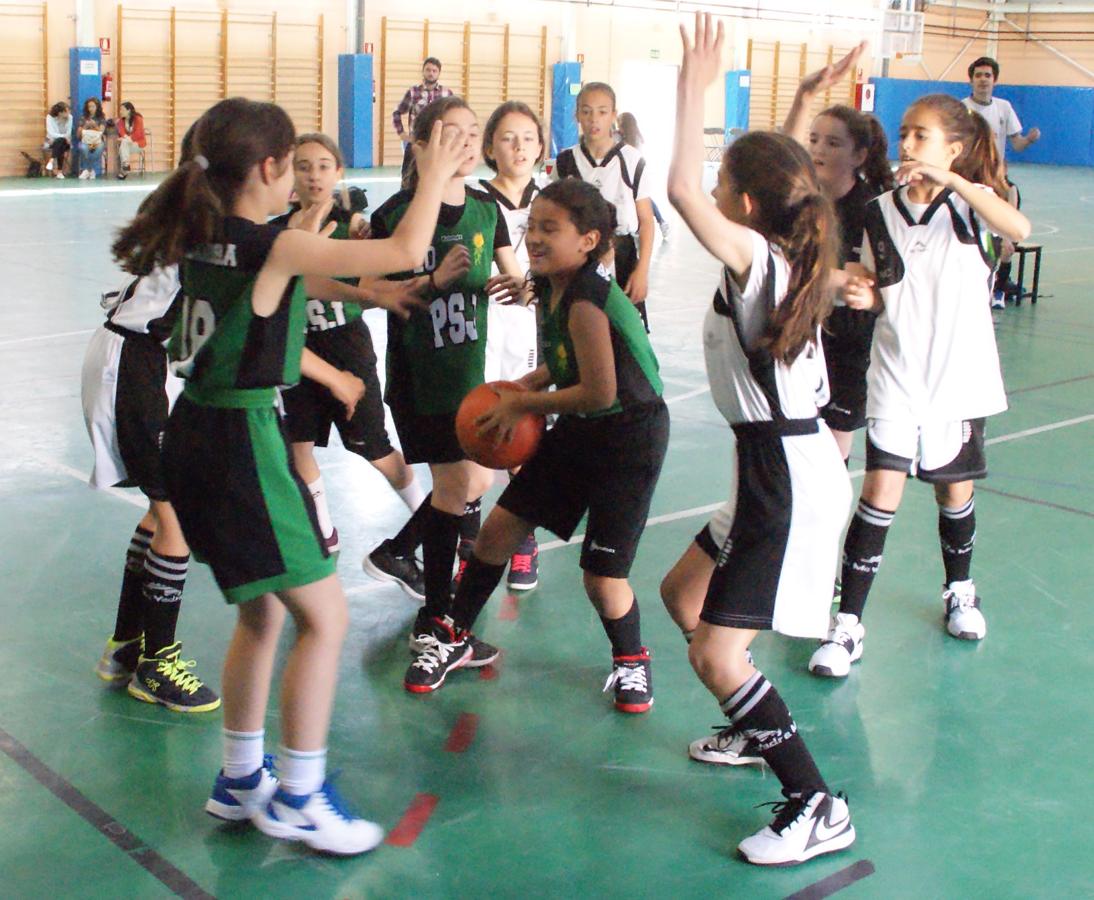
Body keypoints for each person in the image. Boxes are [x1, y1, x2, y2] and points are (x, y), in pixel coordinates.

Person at [111, 96, 465, 855]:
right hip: (241, 440)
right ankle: (301, 795)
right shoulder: (274, 244)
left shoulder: (204, 236)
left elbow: (285, 284)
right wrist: (432, 173)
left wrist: (367, 294)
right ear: (269, 168)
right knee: (325, 619)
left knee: (264, 614)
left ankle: (242, 778)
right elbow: (405, 244)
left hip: (193, 433)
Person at [664, 13, 856, 866]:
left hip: (787, 476)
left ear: (743, 206)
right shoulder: (780, 249)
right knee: (684, 597)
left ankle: (816, 803)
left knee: (716, 652)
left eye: (726, 183)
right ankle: (754, 725)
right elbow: (772, 176)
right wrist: (804, 101)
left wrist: (692, 92)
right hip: (766, 470)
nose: (714, 191)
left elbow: (682, 191)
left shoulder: (760, 261)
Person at [408, 178, 669, 711]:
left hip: (629, 436)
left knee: (602, 578)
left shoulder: (586, 299)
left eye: (551, 229)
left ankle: (631, 659)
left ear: (588, 240)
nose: (534, 238)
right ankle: (455, 636)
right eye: (532, 226)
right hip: (583, 427)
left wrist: (522, 404)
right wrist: (529, 383)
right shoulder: (553, 285)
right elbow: (569, 361)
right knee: (496, 533)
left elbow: (600, 390)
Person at [810, 94, 1030, 679]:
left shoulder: (972, 206)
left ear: (954, 149)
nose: (908, 144)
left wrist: (954, 181)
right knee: (878, 493)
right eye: (904, 133)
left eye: (922, 136)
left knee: (952, 493)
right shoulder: (878, 211)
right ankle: (848, 624)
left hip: (958, 380)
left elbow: (1019, 228)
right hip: (897, 373)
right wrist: (861, 293)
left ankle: (960, 590)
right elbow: (876, 283)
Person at [367, 96, 527, 681]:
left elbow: (512, 274)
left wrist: (521, 288)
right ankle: (437, 624)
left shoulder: (486, 209)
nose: (463, 141)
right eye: (449, 132)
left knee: (469, 484)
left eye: (470, 131)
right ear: (423, 144)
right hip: (421, 378)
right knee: (457, 486)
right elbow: (369, 288)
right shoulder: (397, 215)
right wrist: (431, 281)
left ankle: (426, 603)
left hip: (467, 378)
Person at [271, 133, 428, 581]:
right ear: (290, 174)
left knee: (372, 446)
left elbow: (374, 273)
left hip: (346, 345)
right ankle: (322, 531)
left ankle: (427, 514)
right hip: (300, 349)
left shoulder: (353, 229)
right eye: (303, 166)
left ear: (338, 172)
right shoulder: (279, 232)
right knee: (298, 443)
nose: (313, 175)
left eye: (323, 166)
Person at [83, 259, 219, 713]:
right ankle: (156, 665)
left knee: (161, 509)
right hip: (133, 366)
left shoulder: (201, 234)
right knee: (174, 514)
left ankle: (126, 645)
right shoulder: (213, 236)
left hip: (136, 359)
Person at [783, 44, 895, 463]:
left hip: (847, 349)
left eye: (832, 143)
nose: (818, 150)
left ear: (859, 155)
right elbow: (781, 158)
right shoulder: (804, 202)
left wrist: (794, 273)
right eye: (813, 140)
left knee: (830, 460)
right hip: (801, 340)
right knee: (795, 454)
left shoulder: (869, 209)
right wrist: (803, 96)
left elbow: (856, 284)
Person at [475, 99, 549, 591]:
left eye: (527, 137)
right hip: (483, 326)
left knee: (523, 437)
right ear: (490, 148)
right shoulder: (474, 199)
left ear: (541, 146)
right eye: (507, 137)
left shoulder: (554, 201)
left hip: (529, 330)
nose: (518, 147)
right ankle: (468, 541)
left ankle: (523, 539)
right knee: (476, 429)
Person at [553, 82, 656, 331]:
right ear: (577, 115)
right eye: (586, 111)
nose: (593, 119)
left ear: (613, 115)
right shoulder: (566, 161)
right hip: (578, 257)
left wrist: (642, 271)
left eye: (602, 111)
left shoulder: (632, 160)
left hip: (622, 257)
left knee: (625, 334)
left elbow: (646, 221)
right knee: (580, 331)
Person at [963, 57, 1039, 304]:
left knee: (1006, 229)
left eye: (987, 75)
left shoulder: (1004, 108)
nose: (983, 80)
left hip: (996, 179)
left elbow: (1017, 144)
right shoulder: (961, 109)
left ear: (994, 80)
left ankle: (1000, 284)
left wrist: (1029, 140)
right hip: (970, 177)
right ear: (971, 80)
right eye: (978, 75)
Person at [392, 58, 453, 181]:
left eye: (434, 71)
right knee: (408, 179)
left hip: (439, 144)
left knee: (438, 178)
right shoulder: (413, 92)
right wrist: (402, 133)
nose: (431, 73)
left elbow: (453, 116)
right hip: (416, 142)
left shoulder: (447, 94)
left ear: (439, 73)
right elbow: (397, 112)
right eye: (428, 70)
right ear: (423, 71)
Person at [616, 112, 669, 240]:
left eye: (619, 124)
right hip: (636, 172)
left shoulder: (623, 140)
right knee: (642, 199)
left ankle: (657, 223)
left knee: (640, 200)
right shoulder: (637, 137)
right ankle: (660, 222)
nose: (618, 127)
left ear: (623, 125)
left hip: (631, 173)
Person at [77, 97, 107, 180]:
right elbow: (78, 134)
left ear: (97, 107)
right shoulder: (83, 117)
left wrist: (95, 125)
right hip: (85, 141)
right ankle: (90, 170)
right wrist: (85, 126)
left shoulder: (101, 118)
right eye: (89, 107)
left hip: (97, 142)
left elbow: (101, 131)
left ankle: (87, 169)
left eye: (93, 106)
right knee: (83, 148)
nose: (91, 109)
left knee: (99, 148)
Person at [116, 101, 147, 180]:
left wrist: (126, 139)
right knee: (124, 144)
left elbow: (138, 133)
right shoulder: (120, 121)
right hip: (127, 145)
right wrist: (125, 139)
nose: (120, 112)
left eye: (122, 110)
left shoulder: (138, 118)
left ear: (128, 110)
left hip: (138, 144)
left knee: (123, 144)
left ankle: (125, 169)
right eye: (120, 110)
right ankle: (126, 166)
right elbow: (121, 132)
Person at [44, 102, 72, 178]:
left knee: (60, 142)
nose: (68, 113)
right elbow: (51, 133)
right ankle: (59, 171)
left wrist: (63, 137)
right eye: (66, 112)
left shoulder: (70, 118)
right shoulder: (49, 117)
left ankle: (52, 159)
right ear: (60, 113)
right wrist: (63, 137)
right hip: (51, 141)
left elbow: (68, 133)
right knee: (60, 143)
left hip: (66, 142)